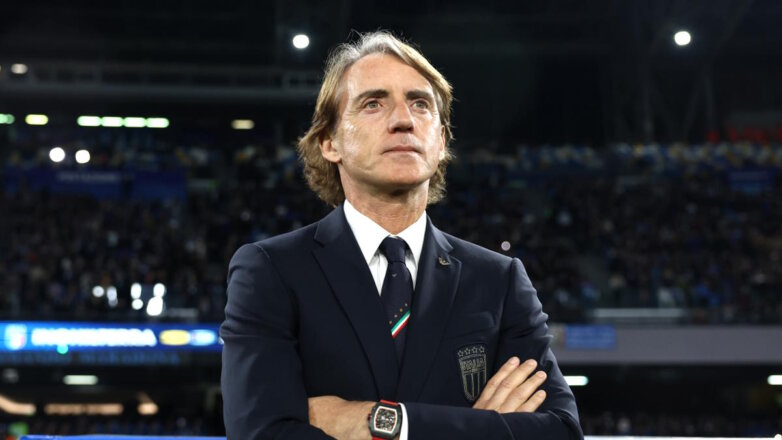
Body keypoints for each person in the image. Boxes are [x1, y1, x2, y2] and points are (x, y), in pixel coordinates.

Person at [221, 31, 583, 439]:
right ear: (329, 142)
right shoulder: (271, 270)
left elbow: (561, 432)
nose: (403, 120)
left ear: (441, 141)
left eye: (420, 104)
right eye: (373, 104)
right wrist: (481, 428)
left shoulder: (499, 280)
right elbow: (261, 434)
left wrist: (389, 423)